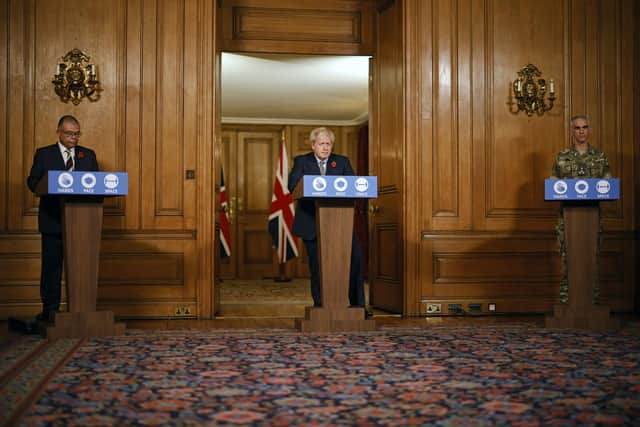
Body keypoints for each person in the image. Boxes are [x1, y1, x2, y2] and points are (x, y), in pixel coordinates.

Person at [288, 127, 370, 316]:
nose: (325, 148)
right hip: (312, 223)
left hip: (341, 224)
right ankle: (321, 307)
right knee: (319, 267)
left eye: (328, 144)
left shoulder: (341, 162)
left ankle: (358, 307)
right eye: (321, 144)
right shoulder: (302, 161)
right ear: (313, 145)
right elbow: (293, 186)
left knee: (354, 261)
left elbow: (354, 188)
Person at [26, 115, 99, 322]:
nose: (73, 138)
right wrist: (46, 185)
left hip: (83, 223)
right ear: (58, 132)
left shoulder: (88, 156)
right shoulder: (44, 154)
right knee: (52, 268)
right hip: (53, 221)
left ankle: (83, 312)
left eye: (76, 134)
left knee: (82, 269)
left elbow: (96, 185)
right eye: (69, 133)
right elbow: (32, 181)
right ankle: (50, 311)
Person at [550, 115, 610, 304]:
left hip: (592, 218)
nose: (581, 131)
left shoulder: (599, 157)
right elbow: (553, 183)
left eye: (585, 127)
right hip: (568, 219)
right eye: (577, 128)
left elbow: (608, 184)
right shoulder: (562, 157)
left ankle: (592, 301)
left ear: (589, 130)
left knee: (592, 259)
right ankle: (567, 302)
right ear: (572, 131)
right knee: (569, 260)